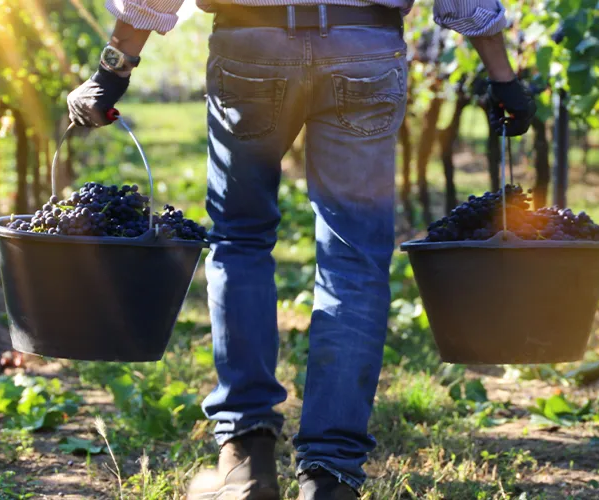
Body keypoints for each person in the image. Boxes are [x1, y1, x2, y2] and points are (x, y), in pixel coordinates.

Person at [66, 1, 535, 499]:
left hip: (252, 46)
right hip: (364, 47)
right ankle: (330, 476)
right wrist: (501, 75)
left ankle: (246, 458)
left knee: (240, 240)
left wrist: (112, 70)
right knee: (355, 258)